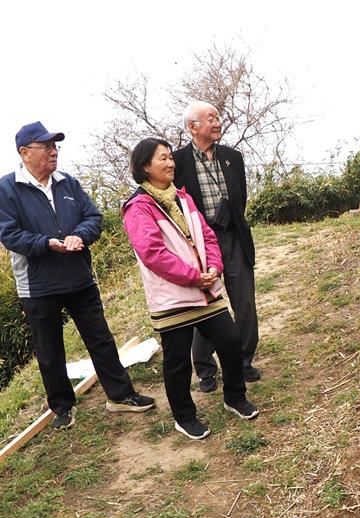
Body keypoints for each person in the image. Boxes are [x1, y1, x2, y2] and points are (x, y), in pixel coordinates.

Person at [0, 121, 155, 429]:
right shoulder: (7, 189)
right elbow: (9, 234)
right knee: (49, 350)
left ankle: (120, 396)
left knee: (101, 339)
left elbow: (93, 217)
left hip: (79, 277)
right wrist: (46, 243)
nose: (53, 152)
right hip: (38, 285)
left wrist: (79, 235)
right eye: (46, 147)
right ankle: (62, 407)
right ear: (25, 152)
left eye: (55, 146)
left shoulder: (67, 182)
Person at [123, 138, 258, 440]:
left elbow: (207, 236)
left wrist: (214, 267)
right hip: (172, 297)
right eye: (162, 158)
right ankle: (184, 417)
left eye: (170, 157)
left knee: (230, 342)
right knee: (177, 361)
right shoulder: (138, 207)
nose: (170, 163)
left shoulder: (183, 197)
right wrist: (193, 277)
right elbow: (153, 254)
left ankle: (235, 397)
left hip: (205, 289)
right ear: (145, 166)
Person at [172, 101, 260, 392]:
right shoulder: (177, 161)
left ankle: (244, 360)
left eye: (218, 117)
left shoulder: (232, 157)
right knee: (207, 303)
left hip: (233, 236)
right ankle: (205, 368)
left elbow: (240, 198)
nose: (218, 122)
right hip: (200, 242)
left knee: (244, 301)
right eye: (211, 118)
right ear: (192, 127)